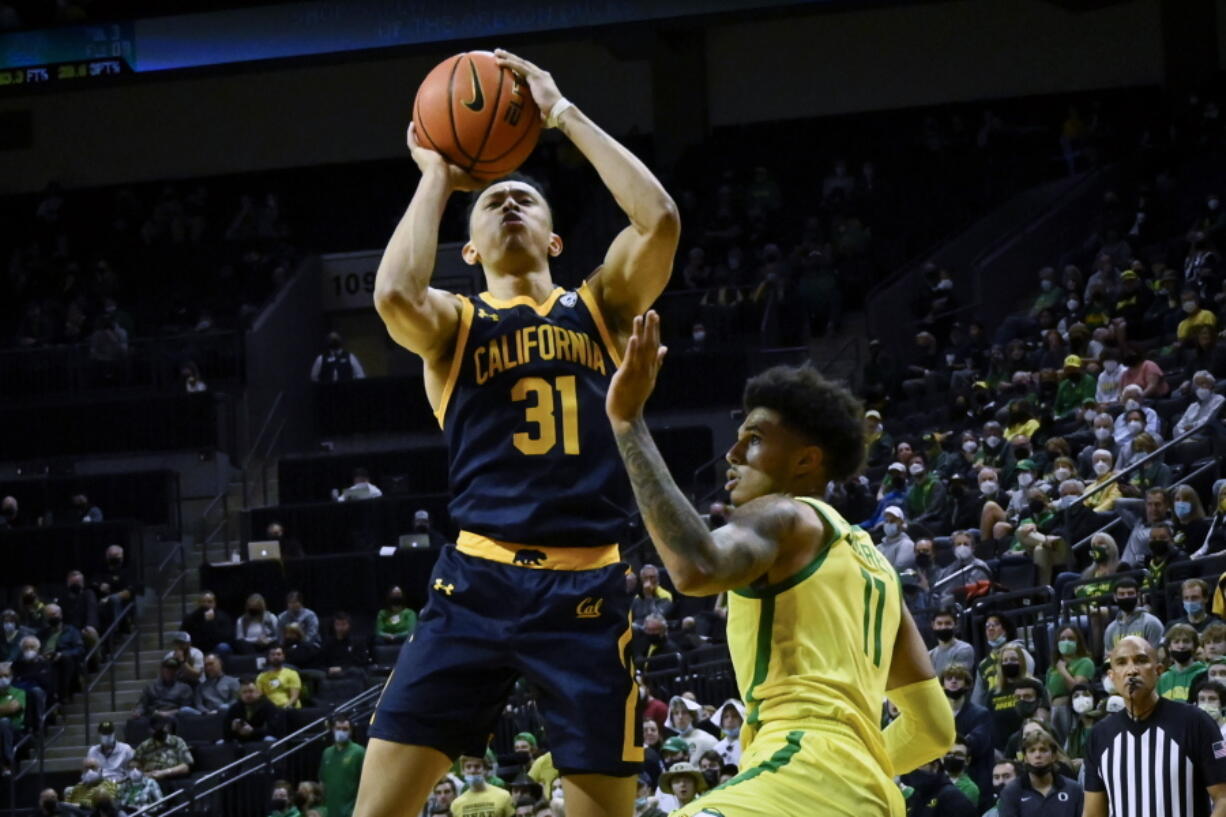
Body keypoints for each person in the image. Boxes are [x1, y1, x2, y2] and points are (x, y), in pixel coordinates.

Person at [355, 48, 680, 817]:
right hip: (476, 582)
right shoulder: (455, 323)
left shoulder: (600, 306)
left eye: (525, 198)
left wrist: (562, 113)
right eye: (491, 199)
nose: (508, 202)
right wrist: (437, 173)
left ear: (555, 239)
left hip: (587, 590)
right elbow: (395, 292)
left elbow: (659, 219)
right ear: (465, 250)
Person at [602, 314, 955, 816]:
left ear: (806, 461)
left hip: (800, 765)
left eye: (756, 439)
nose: (733, 452)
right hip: (870, 797)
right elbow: (935, 730)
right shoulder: (877, 572)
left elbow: (696, 568)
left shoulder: (786, 515)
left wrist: (628, 422)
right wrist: (860, 775)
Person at [1083, 636, 1226, 816]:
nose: (1132, 670)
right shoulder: (1099, 736)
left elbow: (1223, 798)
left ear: (1159, 671)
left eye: (1141, 660)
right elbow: (1093, 814)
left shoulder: (1195, 722)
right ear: (1111, 677)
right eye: (1121, 663)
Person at [994, 731, 1083, 816]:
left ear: (1053, 756)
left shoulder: (1074, 789)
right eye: (1032, 751)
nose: (1038, 755)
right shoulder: (1011, 792)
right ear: (1025, 757)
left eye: (1043, 750)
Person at [1102, 577, 1164, 653]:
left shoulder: (1151, 623)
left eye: (1130, 593)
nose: (1126, 597)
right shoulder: (1110, 629)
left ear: (1138, 595)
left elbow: (1157, 654)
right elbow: (1108, 658)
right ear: (1115, 597)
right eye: (1122, 594)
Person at [320, 716, 365, 817]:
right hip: (331, 810)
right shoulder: (327, 753)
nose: (341, 731)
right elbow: (322, 782)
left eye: (345, 729)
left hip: (350, 811)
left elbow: (365, 782)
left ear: (351, 731)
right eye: (338, 728)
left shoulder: (358, 752)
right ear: (333, 730)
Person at [133, 713, 192, 783]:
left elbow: (185, 767)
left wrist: (165, 772)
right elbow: (134, 769)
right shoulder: (144, 746)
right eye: (155, 729)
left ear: (166, 727)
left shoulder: (177, 742)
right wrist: (147, 775)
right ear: (150, 730)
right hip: (150, 781)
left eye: (161, 728)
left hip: (173, 780)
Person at [1157, 623, 1207, 701]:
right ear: (1169, 647)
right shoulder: (1163, 679)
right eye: (1176, 642)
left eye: (1186, 641)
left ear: (1194, 646)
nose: (1181, 646)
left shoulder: (1204, 674)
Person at [224, 677, 282, 744]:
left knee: (269, 739)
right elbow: (225, 734)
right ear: (240, 694)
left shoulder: (268, 706)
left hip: (261, 741)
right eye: (244, 692)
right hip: (242, 742)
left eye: (251, 691)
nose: (248, 695)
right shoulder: (235, 708)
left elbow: (275, 731)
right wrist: (232, 728)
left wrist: (253, 731)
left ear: (258, 692)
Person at [929, 608, 975, 678]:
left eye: (948, 623)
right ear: (933, 625)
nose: (943, 627)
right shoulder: (930, 655)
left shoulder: (964, 649)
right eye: (939, 623)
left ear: (956, 625)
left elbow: (954, 681)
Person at [0, 661, 25, 776]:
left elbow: (13, 708)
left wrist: (5, 709)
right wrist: (5, 708)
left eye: (5, 676)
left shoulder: (19, 692)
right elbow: (8, 708)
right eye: (0, 676)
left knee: (4, 722)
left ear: (11, 677)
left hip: (15, 730)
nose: (3, 679)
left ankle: (8, 763)